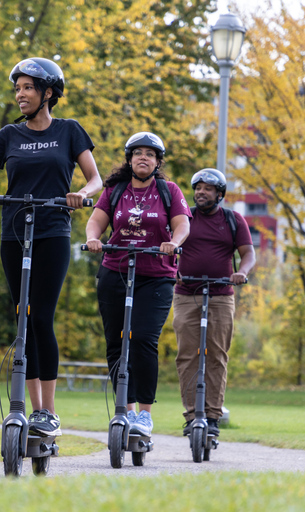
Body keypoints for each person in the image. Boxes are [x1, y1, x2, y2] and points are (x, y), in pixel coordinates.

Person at [0, 57, 103, 436]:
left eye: (27, 88)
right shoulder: (8, 135)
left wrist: (81, 194)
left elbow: (96, 179)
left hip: (52, 231)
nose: (20, 94)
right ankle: (23, 408)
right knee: (21, 318)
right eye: (17, 88)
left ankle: (49, 412)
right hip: (13, 232)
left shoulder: (69, 131)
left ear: (48, 93)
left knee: (41, 316)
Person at [84, 132, 191, 437]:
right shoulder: (116, 189)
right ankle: (125, 410)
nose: (143, 158)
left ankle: (144, 415)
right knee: (116, 342)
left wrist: (173, 242)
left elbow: (182, 223)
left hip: (155, 275)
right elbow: (97, 220)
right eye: (138, 153)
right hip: (114, 270)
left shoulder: (168, 190)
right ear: (129, 159)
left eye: (150, 154)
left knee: (143, 339)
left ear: (158, 162)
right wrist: (93, 239)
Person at [173, 168, 256, 436]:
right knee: (187, 355)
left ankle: (212, 417)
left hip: (221, 295)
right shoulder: (184, 218)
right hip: (186, 294)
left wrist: (242, 272)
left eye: (207, 188)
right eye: (198, 188)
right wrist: (172, 270)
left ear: (219, 194)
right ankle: (190, 415)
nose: (200, 192)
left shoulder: (233, 220)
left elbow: (248, 253)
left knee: (217, 355)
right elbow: (169, 245)